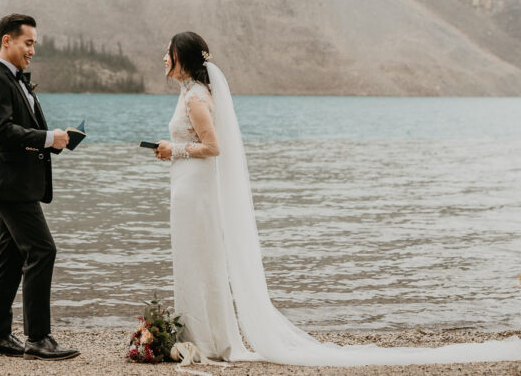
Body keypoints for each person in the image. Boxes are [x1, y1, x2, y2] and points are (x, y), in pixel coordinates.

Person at [154, 30, 521, 366]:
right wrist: (174, 151)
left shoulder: (198, 98)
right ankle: (199, 336)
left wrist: (176, 149)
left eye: (168, 52)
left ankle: (204, 339)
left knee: (200, 260)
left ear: (182, 57)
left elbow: (213, 147)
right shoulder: (189, 94)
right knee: (193, 259)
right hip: (186, 186)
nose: (163, 57)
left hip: (194, 188)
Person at [0, 13, 79, 361]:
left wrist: (55, 141)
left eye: (34, 44)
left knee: (11, 255)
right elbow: (2, 134)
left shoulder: (14, 80)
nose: (32, 50)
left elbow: (18, 131)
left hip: (16, 184)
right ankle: (37, 338)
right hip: (11, 186)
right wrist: (49, 138)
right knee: (42, 250)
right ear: (7, 41)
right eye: (28, 43)